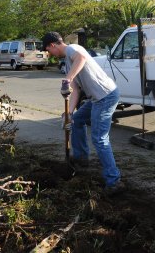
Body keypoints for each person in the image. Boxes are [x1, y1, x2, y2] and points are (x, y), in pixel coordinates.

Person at [42, 31, 124, 195]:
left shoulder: (73, 49)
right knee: (77, 120)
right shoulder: (67, 61)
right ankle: (81, 158)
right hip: (96, 99)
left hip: (106, 96)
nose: (50, 54)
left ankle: (113, 181)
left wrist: (68, 79)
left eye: (48, 50)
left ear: (53, 45)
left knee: (99, 138)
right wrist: (69, 113)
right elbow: (77, 91)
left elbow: (82, 59)